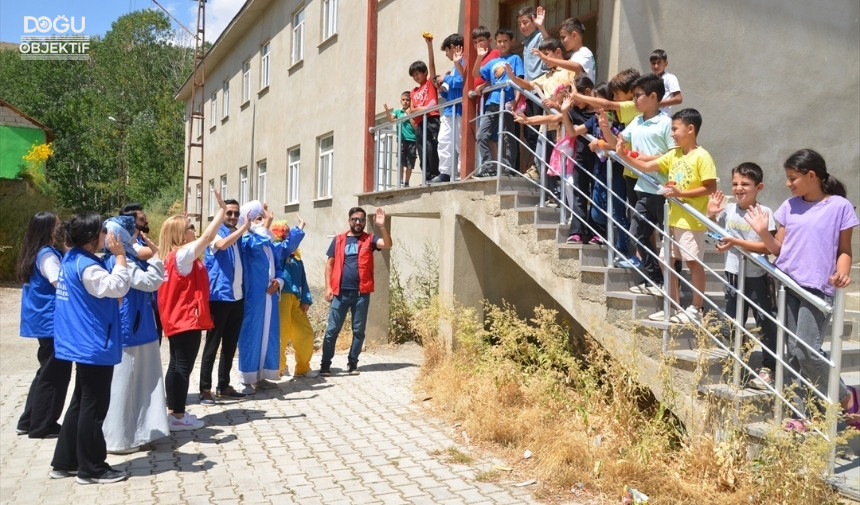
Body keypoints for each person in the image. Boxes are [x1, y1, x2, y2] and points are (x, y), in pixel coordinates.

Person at [746, 149, 859, 428]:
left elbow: (844, 250)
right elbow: (778, 249)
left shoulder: (840, 207)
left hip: (818, 289)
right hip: (786, 284)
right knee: (794, 352)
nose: (788, 184)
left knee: (807, 350)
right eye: (787, 178)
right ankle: (801, 415)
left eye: (792, 178)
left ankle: (845, 398)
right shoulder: (789, 206)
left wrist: (842, 273)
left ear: (812, 176)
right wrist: (763, 233)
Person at [50, 213, 130, 484]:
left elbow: (97, 294)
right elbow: (117, 286)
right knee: (94, 408)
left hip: (81, 340)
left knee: (80, 403)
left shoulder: (71, 259)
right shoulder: (87, 265)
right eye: (102, 232)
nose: (106, 237)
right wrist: (120, 257)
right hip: (93, 343)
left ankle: (65, 461)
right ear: (89, 239)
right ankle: (92, 468)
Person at [618, 108, 717, 324]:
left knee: (692, 262)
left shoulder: (702, 156)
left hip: (690, 221)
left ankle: (695, 309)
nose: (672, 134)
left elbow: (710, 187)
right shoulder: (673, 154)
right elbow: (645, 165)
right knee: (666, 262)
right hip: (672, 219)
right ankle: (672, 306)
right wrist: (623, 155)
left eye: (675, 129)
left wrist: (682, 194)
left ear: (690, 129)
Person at [158, 191, 228, 431]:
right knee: (182, 367)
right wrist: (221, 211)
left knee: (176, 364)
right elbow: (208, 237)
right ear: (180, 234)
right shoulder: (183, 255)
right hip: (186, 318)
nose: (194, 230)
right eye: (189, 227)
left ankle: (173, 411)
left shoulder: (170, 255)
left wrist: (181, 221)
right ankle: (177, 415)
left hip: (176, 317)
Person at [101, 216, 169, 454]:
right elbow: (151, 282)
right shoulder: (123, 262)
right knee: (126, 384)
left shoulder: (121, 259)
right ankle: (119, 438)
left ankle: (139, 433)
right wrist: (157, 258)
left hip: (136, 329)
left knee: (135, 384)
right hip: (132, 330)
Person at [706, 163, 777, 390]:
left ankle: (769, 368)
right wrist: (711, 215)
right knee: (731, 324)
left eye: (745, 184)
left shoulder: (765, 212)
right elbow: (719, 237)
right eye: (735, 183)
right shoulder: (729, 210)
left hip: (758, 277)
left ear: (759, 187)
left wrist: (736, 243)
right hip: (733, 273)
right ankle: (740, 355)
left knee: (765, 323)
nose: (739, 188)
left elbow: (766, 247)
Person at [601, 74, 675, 290]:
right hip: (643, 187)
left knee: (669, 241)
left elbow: (673, 156)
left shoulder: (666, 123)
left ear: (653, 96)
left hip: (663, 190)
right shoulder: (637, 121)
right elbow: (618, 144)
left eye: (638, 95)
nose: (634, 100)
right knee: (637, 233)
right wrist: (606, 129)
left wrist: (645, 159)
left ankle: (671, 283)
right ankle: (655, 278)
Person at [16, 211, 71, 439]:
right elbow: (59, 283)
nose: (60, 228)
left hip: (43, 320)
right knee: (55, 374)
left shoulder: (36, 251)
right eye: (57, 225)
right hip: (51, 321)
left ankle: (29, 420)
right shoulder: (47, 255)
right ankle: (43, 424)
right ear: (48, 229)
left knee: (45, 372)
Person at [320, 207, 392, 376]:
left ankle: (353, 363)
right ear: (349, 220)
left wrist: (381, 226)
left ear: (365, 222)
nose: (357, 222)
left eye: (361, 219)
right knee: (332, 330)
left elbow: (388, 244)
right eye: (354, 219)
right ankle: (325, 364)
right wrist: (328, 287)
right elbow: (329, 264)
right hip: (340, 293)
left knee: (358, 330)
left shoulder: (370, 239)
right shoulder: (338, 240)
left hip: (361, 294)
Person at [199, 198, 251, 405]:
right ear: (221, 215)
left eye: (236, 214)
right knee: (212, 346)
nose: (233, 217)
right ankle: (205, 389)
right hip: (219, 298)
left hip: (237, 298)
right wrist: (243, 228)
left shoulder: (236, 236)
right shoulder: (215, 234)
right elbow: (221, 245)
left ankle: (224, 385)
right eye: (229, 213)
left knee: (230, 346)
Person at [236, 201, 283, 391]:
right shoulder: (247, 240)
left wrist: (278, 281)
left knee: (268, 334)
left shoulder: (268, 243)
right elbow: (255, 245)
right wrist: (267, 224)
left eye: (262, 218)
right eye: (258, 218)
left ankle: (264, 374)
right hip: (253, 297)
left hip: (269, 297)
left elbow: (278, 266)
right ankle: (247, 377)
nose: (262, 221)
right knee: (252, 334)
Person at [472, 28, 524, 177]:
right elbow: (476, 74)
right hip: (493, 102)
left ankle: (509, 168)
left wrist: (515, 100)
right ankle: (489, 166)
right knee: (482, 134)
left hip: (508, 101)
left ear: (511, 41)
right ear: (495, 43)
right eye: (499, 41)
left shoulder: (515, 59)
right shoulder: (494, 62)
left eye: (505, 41)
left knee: (509, 136)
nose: (502, 44)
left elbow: (519, 82)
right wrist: (480, 57)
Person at [274, 217, 317, 379]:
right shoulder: (277, 250)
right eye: (283, 230)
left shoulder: (297, 257)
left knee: (305, 332)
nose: (286, 232)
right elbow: (286, 247)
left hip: (296, 299)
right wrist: (300, 227)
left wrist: (305, 299)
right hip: (282, 297)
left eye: (288, 230)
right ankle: (279, 368)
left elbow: (303, 279)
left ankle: (303, 367)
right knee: (281, 334)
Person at [427, 33, 465, 183]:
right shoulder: (454, 66)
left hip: (461, 110)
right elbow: (454, 87)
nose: (447, 55)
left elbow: (464, 80)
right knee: (444, 141)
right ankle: (445, 173)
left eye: (447, 51)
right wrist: (443, 88)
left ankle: (463, 172)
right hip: (450, 109)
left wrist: (446, 78)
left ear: (453, 48)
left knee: (460, 143)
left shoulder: (465, 62)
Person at [516, 5, 550, 162]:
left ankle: (541, 166)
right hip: (529, 92)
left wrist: (541, 26)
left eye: (525, 22)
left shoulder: (539, 36)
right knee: (529, 133)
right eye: (520, 24)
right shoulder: (526, 42)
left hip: (540, 89)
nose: (523, 26)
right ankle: (536, 165)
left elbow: (549, 44)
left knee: (539, 130)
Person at [533, 17, 595, 83]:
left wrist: (547, 59)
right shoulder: (572, 55)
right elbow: (551, 45)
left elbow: (577, 67)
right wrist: (541, 28)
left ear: (574, 35)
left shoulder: (585, 52)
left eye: (563, 37)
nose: (562, 41)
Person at [408, 58, 440, 183]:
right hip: (420, 122)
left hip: (431, 118)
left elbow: (432, 66)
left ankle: (434, 174)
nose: (416, 77)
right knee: (421, 149)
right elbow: (411, 110)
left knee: (431, 146)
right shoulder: (413, 91)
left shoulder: (429, 84)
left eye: (418, 74)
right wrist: (425, 108)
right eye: (413, 75)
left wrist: (429, 46)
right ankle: (426, 176)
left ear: (425, 72)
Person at [383, 92, 418, 188]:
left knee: (410, 163)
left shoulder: (413, 111)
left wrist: (409, 114)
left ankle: (407, 182)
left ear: (410, 101)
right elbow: (391, 120)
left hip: (412, 140)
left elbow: (415, 126)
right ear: (401, 101)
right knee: (401, 162)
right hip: (402, 140)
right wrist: (387, 111)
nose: (405, 102)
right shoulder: (398, 112)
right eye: (403, 100)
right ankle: (401, 181)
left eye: (407, 100)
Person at [649, 49, 682, 115]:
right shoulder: (649, 79)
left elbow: (678, 99)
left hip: (663, 116)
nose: (656, 66)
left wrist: (658, 104)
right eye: (653, 63)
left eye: (659, 63)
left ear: (665, 63)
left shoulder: (669, 78)